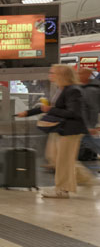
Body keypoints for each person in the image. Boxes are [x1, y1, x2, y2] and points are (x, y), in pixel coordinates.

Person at [20, 64, 90, 198]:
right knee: (59, 159)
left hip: (70, 130)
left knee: (63, 161)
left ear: (62, 75)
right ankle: (65, 186)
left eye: (53, 73)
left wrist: (50, 110)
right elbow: (50, 107)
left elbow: (73, 112)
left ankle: (62, 190)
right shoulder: (62, 89)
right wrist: (29, 112)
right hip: (62, 129)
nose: (50, 75)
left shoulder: (73, 90)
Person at [77, 67, 100, 160]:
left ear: (87, 75)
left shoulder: (90, 90)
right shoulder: (86, 88)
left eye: (81, 73)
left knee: (93, 142)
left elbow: (93, 108)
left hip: (90, 124)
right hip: (86, 124)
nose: (78, 75)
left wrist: (91, 126)